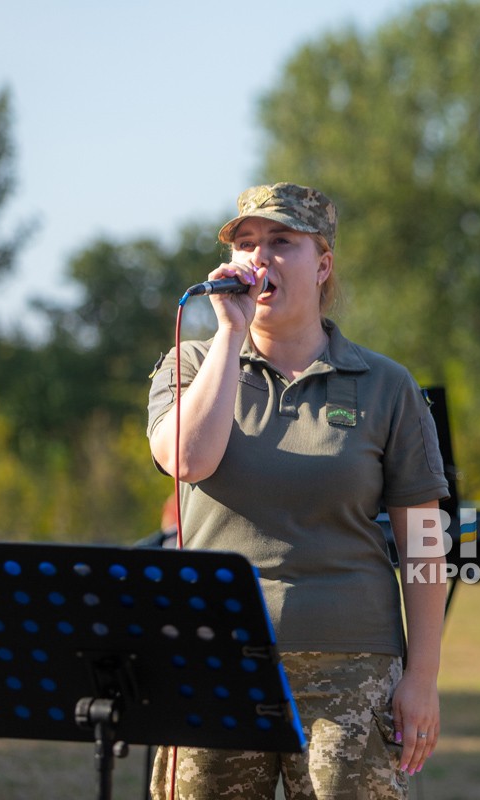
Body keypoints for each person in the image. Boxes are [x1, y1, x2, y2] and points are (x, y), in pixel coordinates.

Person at [146, 182, 450, 799]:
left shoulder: (386, 385)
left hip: (351, 669)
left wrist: (422, 677)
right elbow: (186, 460)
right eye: (248, 243)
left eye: (282, 243)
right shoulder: (189, 364)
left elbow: (424, 545)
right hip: (215, 663)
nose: (260, 258)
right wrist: (229, 338)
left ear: (324, 265)